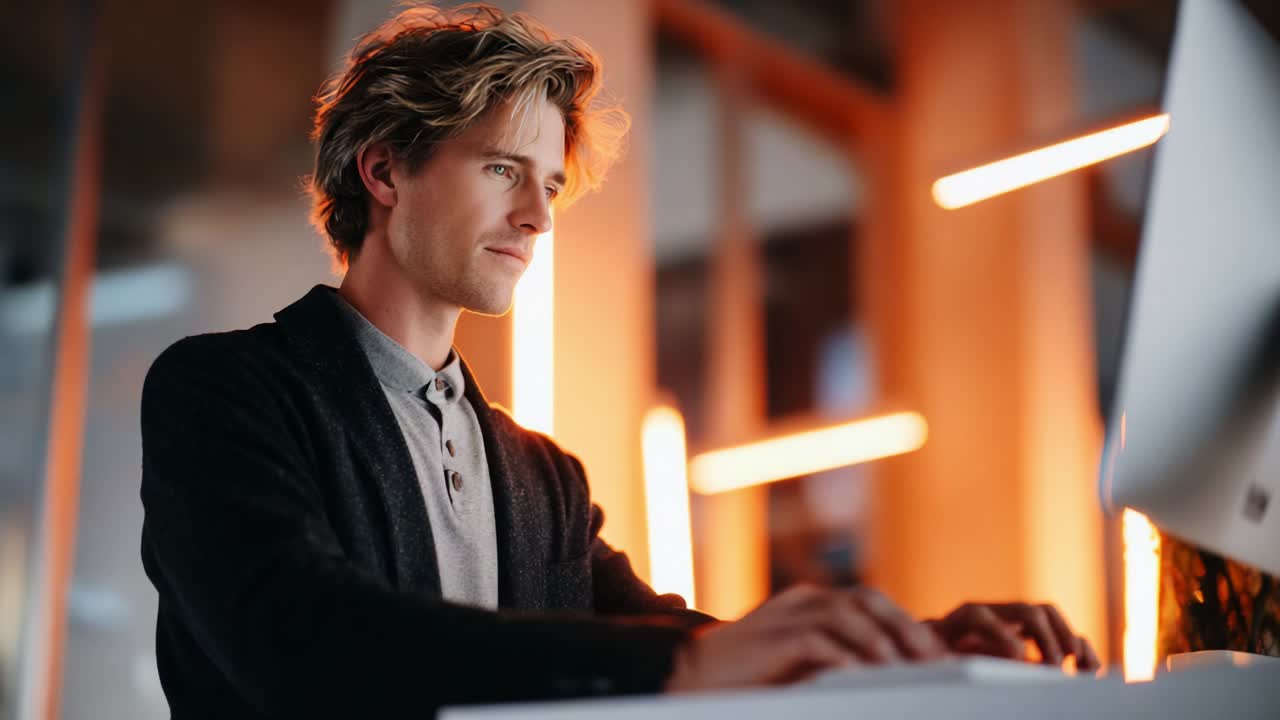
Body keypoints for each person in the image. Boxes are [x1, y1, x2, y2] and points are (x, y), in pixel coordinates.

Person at [139, 5, 1099, 718]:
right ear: (384, 171)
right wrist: (673, 668)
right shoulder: (223, 391)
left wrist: (897, 650)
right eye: (502, 170)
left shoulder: (540, 477)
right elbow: (298, 636)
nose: (538, 216)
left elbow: (660, 632)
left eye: (550, 183)